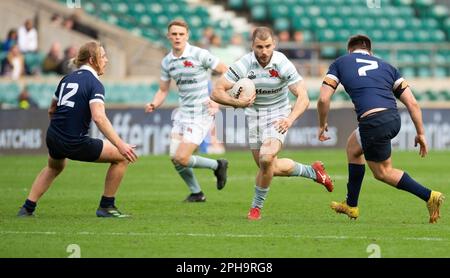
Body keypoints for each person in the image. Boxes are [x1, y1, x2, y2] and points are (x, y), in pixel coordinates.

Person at [317, 34, 444, 223]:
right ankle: (351, 205)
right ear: (370, 51)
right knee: (353, 147)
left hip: (373, 122)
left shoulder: (341, 62)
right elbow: (412, 103)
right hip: (392, 118)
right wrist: (421, 133)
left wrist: (322, 124)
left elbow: (323, 99)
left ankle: (429, 196)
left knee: (383, 173)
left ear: (349, 50)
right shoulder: (388, 67)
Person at [212, 26, 333, 220]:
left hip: (278, 115)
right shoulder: (244, 64)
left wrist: (289, 119)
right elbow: (216, 91)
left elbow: (303, 97)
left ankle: (255, 208)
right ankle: (313, 172)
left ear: (274, 45)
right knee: (268, 167)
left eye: (268, 46)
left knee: (266, 159)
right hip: (253, 117)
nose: (264, 51)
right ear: (252, 46)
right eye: (259, 47)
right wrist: (238, 102)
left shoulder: (281, 63)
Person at [17, 41, 137, 217]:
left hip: (53, 136)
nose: (106, 60)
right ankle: (106, 207)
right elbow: (99, 117)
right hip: (73, 141)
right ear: (92, 59)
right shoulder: (94, 83)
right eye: (103, 56)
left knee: (54, 166)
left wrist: (61, 130)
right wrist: (120, 144)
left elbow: (52, 109)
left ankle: (27, 208)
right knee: (121, 157)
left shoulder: (66, 79)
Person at [145, 20, 229, 202]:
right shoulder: (167, 62)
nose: (177, 37)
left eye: (181, 34)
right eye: (174, 34)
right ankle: (197, 193)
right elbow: (163, 89)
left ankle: (217, 165)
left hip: (201, 113)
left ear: (187, 36)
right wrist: (154, 103)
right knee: (175, 158)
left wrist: (217, 98)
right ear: (169, 36)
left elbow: (226, 71)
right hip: (182, 114)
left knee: (182, 157)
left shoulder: (199, 54)